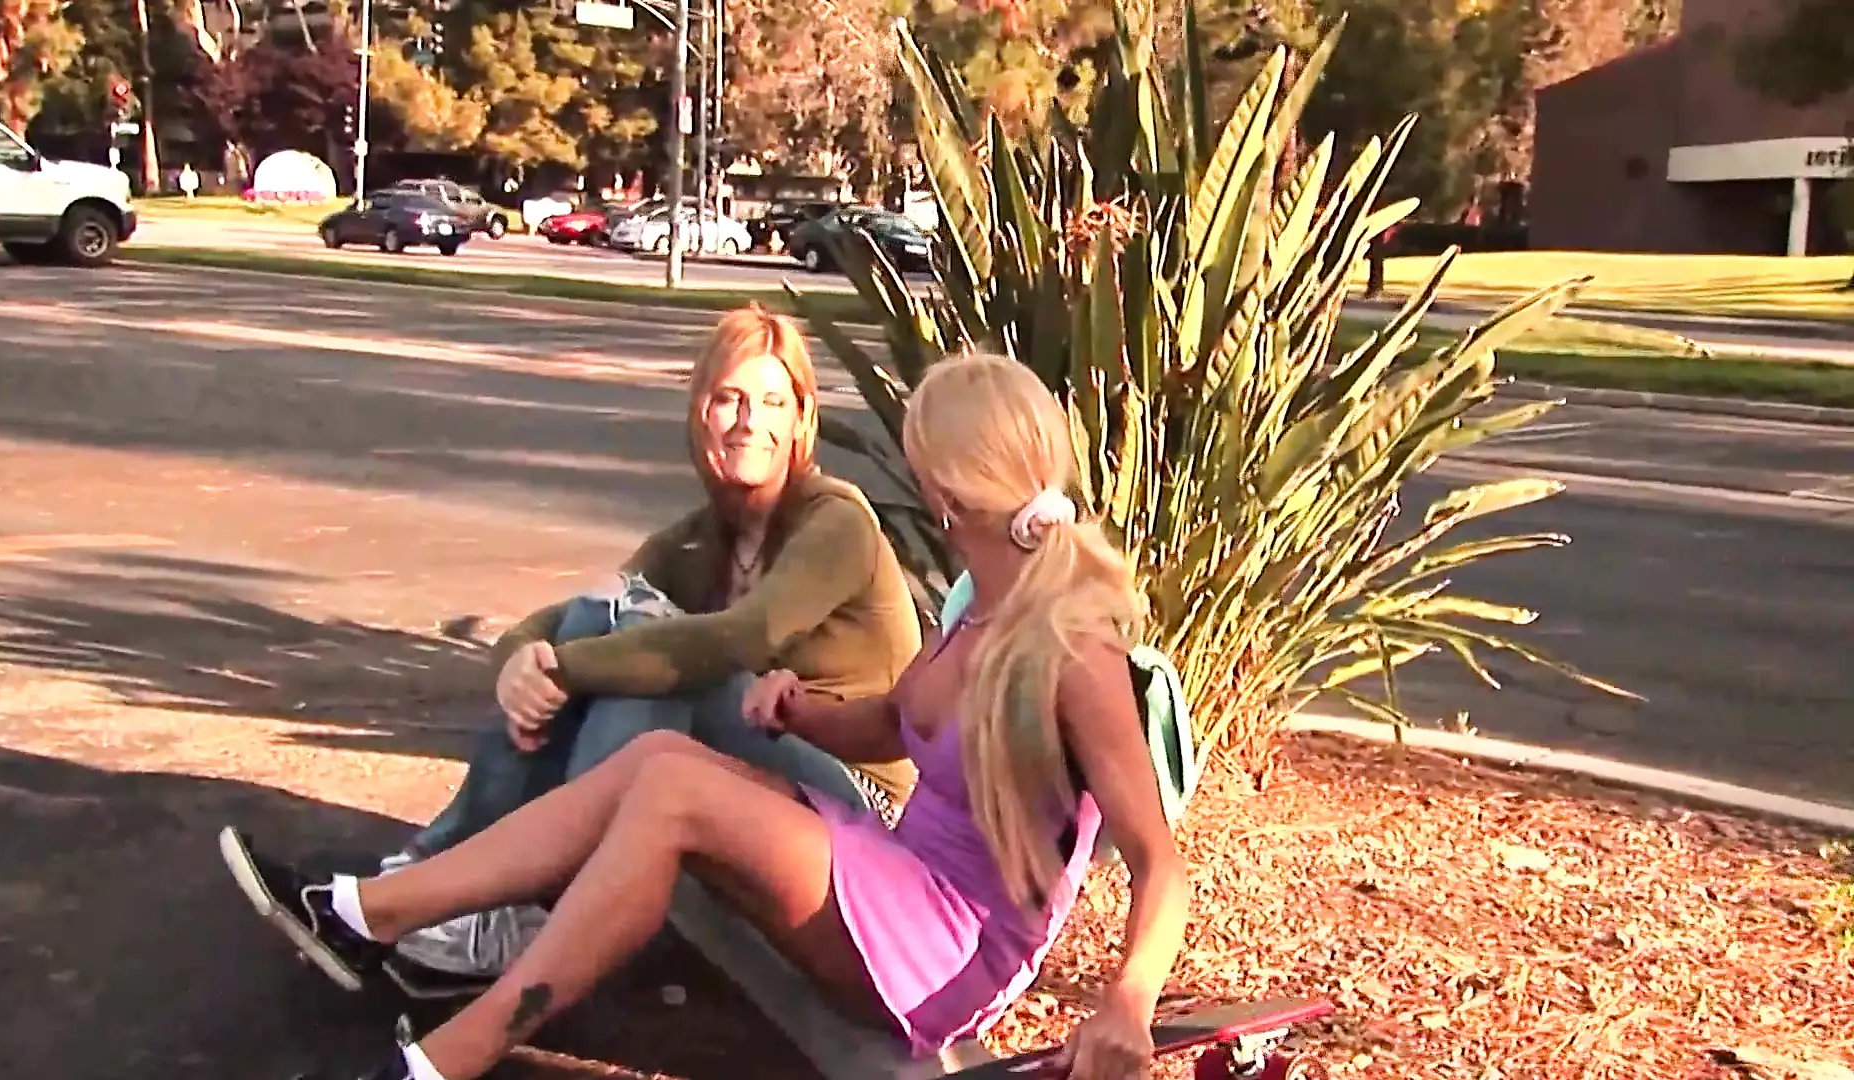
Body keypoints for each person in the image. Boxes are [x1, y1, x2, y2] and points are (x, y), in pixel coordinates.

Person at [218, 351, 1191, 1080]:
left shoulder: (1073, 653)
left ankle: (438, 1050)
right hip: (902, 880)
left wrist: (1128, 1002)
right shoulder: (975, 604)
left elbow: (1160, 862)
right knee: (656, 767)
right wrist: (799, 712)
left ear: (944, 486)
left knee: (675, 792)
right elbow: (894, 727)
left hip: (950, 952)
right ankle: (371, 916)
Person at [330, 304, 924, 993]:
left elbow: (741, 638)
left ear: (802, 420)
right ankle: (430, 883)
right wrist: (520, 658)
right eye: (729, 399)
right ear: (701, 413)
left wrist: (566, 670)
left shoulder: (836, 521)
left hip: (861, 801)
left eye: (771, 402)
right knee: (609, 624)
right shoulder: (703, 539)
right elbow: (582, 613)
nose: (747, 422)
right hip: (774, 777)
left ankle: (525, 908)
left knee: (679, 669)